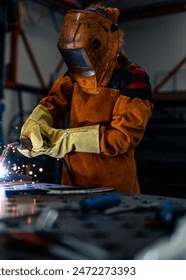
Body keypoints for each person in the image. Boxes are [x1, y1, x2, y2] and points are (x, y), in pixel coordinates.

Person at [18, 4, 153, 193]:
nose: (81, 63)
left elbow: (123, 137)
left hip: (114, 190)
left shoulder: (133, 75)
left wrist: (66, 140)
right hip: (71, 184)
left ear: (106, 40)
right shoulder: (75, 73)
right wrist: (35, 122)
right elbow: (54, 102)